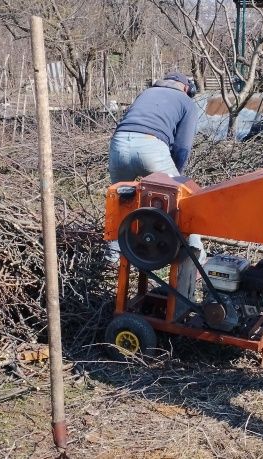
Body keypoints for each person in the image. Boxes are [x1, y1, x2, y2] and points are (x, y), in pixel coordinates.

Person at [107, 71, 204, 304]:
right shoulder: (186, 103)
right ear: (185, 88)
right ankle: (197, 256)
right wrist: (175, 177)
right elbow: (182, 146)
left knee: (121, 201)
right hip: (151, 145)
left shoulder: (147, 92)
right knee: (184, 198)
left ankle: (112, 259)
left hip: (119, 144)